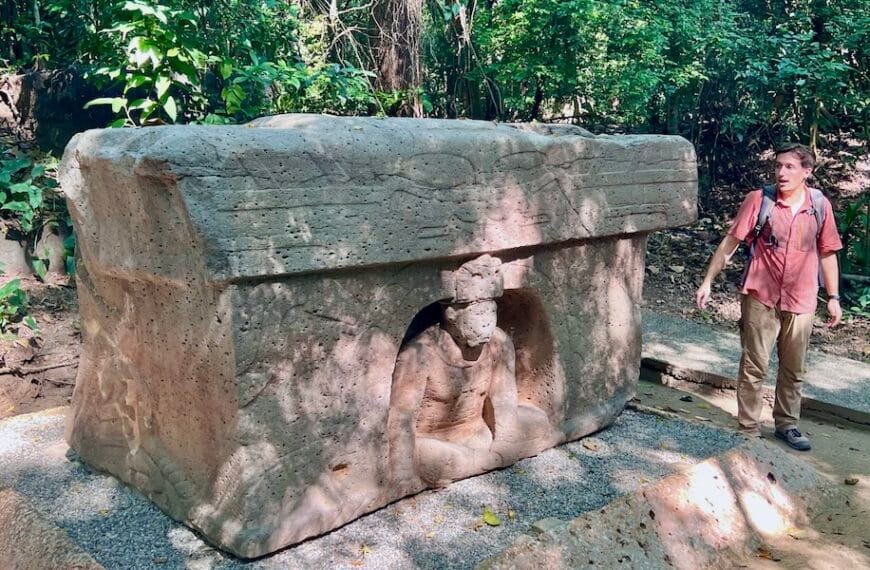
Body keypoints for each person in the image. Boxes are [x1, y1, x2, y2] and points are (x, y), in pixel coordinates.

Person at [695, 143, 843, 451]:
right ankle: (747, 428)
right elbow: (730, 243)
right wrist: (708, 281)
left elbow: (828, 253)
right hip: (761, 295)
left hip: (802, 300)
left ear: (807, 171)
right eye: (778, 166)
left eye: (790, 167)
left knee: (794, 368)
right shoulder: (759, 200)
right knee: (754, 364)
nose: (781, 172)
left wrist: (833, 296)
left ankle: (787, 424)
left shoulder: (819, 205)